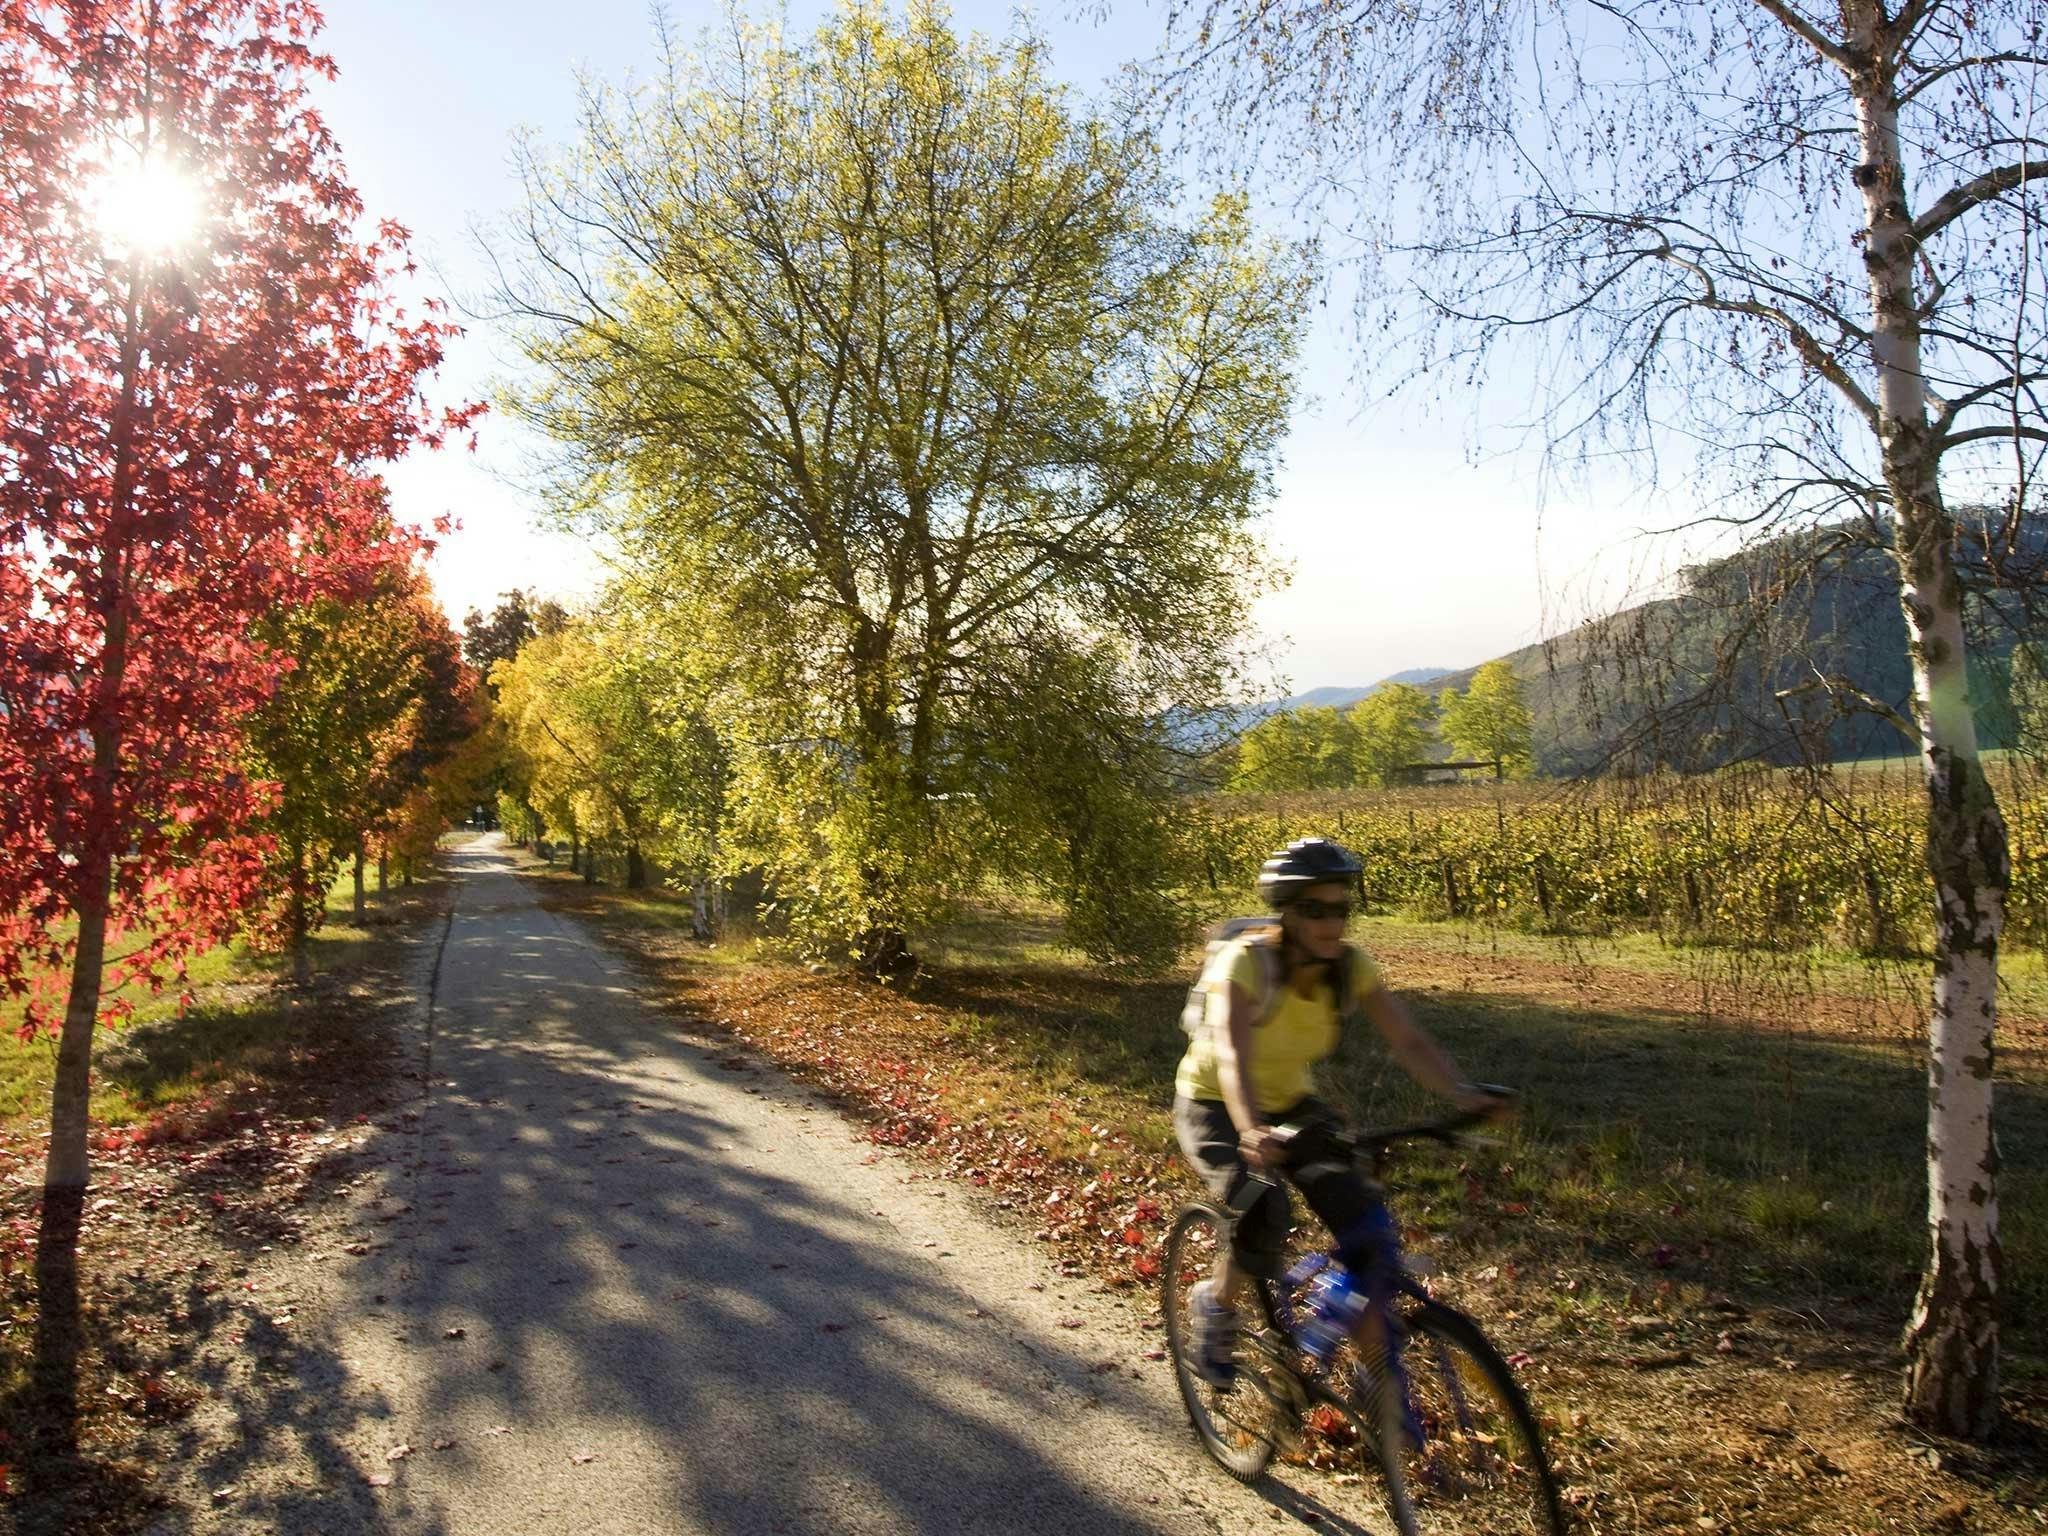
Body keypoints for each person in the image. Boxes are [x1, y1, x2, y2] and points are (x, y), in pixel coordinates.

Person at [1172, 837, 1506, 1387]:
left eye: (1340, 909)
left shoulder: (1349, 968)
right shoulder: (1246, 962)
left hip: (1291, 1102)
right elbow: (1232, 1054)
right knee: (1262, 1206)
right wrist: (1252, 1128)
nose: (1332, 923)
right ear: (1287, 911)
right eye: (1314, 910)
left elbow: (1409, 1041)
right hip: (1214, 1101)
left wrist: (1463, 1094)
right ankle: (1216, 1302)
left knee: (1364, 1220)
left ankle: (1369, 1373)